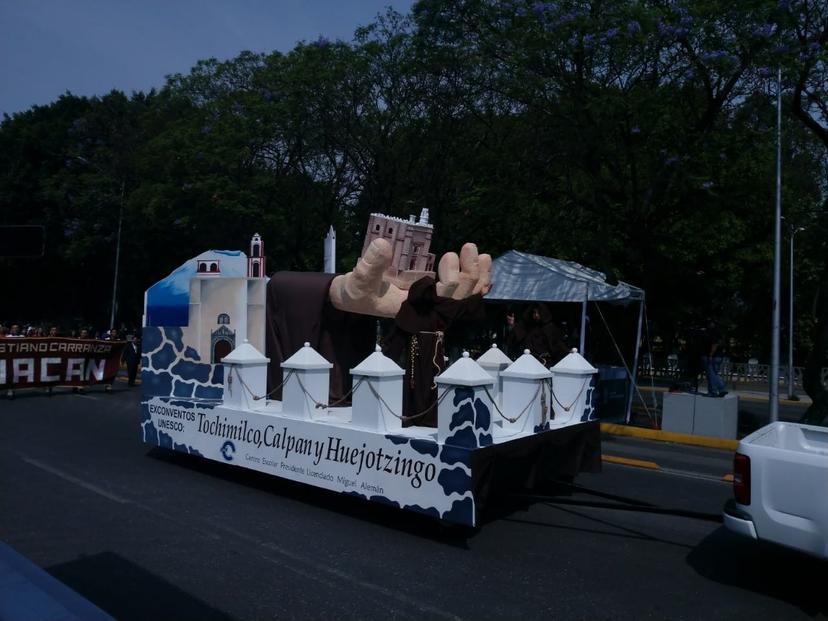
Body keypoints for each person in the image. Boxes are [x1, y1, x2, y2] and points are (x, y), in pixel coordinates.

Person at [703, 320, 727, 397]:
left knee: (711, 374)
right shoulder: (719, 333)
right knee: (714, 374)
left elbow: (714, 345)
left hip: (713, 356)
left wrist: (710, 355)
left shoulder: (712, 333)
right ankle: (720, 389)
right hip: (719, 356)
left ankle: (714, 391)